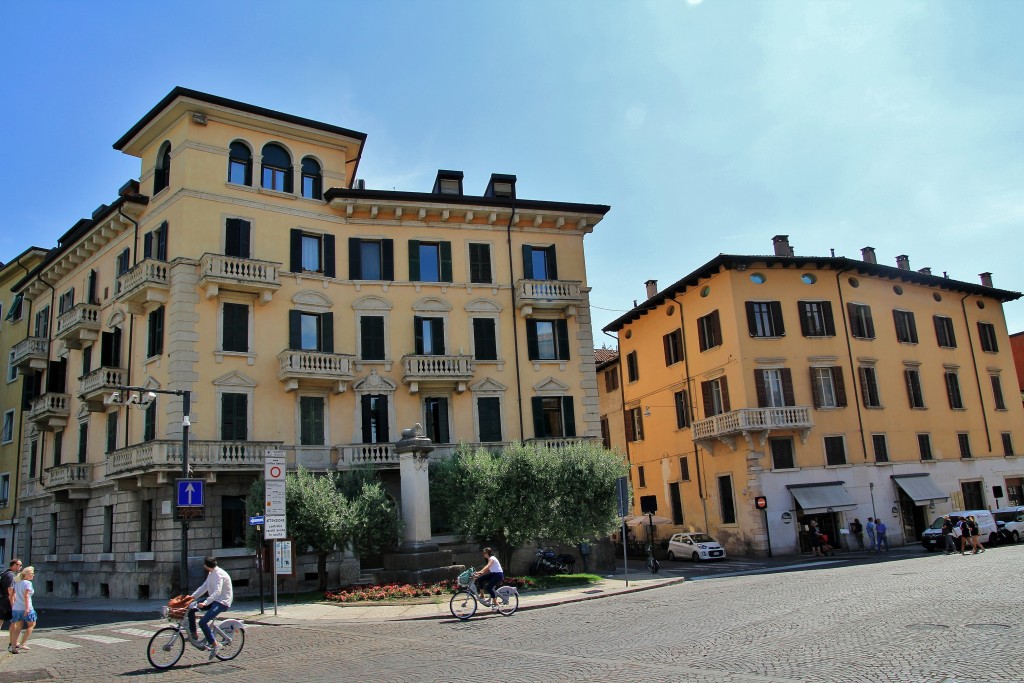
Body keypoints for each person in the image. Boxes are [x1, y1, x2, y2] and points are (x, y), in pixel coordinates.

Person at [188, 556, 233, 660]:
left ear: (205, 565)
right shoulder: (211, 573)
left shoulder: (219, 575)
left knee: (203, 622)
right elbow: (204, 587)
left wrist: (205, 603)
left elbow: (217, 592)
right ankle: (194, 634)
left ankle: (215, 644)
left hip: (222, 602)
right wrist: (192, 598)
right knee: (190, 608)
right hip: (213, 600)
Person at [8, 565, 36, 654]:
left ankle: (13, 646)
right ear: (26, 574)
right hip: (26, 608)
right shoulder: (28, 583)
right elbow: (26, 595)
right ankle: (22, 643)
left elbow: (12, 594)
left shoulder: (17, 583)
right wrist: (27, 608)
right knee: (31, 625)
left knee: (18, 628)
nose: (33, 575)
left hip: (16, 608)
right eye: (32, 573)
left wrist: (13, 604)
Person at [0, 558, 21, 631]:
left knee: (1, 619)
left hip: (3, 600)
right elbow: (10, 589)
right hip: (7, 601)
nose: (21, 567)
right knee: (15, 621)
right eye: (20, 565)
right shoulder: (11, 575)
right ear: (14, 565)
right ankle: (13, 640)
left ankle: (13, 640)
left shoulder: (4, 573)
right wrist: (13, 603)